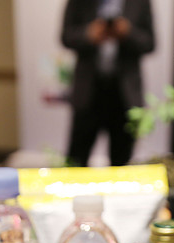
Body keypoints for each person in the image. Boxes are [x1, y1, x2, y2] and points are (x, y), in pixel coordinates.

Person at [61, 0, 155, 167]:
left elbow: (150, 43)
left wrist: (128, 32)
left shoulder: (140, 2)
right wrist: (88, 34)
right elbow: (66, 36)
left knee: (121, 162)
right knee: (76, 161)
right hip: (88, 92)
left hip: (124, 94)